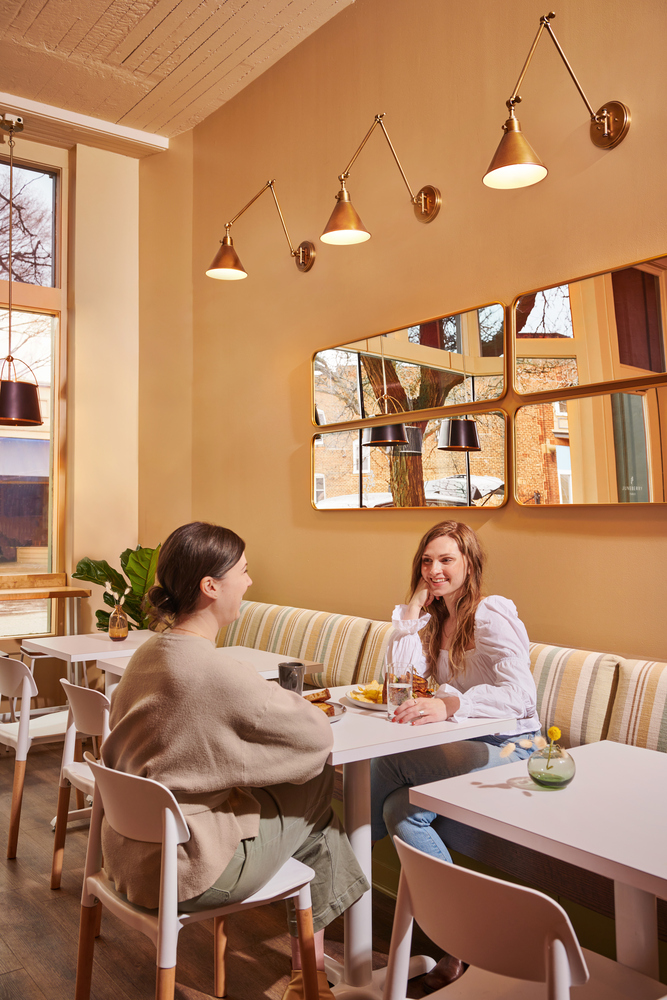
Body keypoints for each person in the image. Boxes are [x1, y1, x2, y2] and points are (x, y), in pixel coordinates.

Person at [101, 522, 368, 1000]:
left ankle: (310, 979)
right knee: (316, 795)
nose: (249, 581)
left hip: (128, 859)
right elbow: (315, 737)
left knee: (301, 807)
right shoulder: (217, 671)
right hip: (188, 870)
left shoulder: (146, 654)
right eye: (243, 571)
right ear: (210, 586)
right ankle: (310, 981)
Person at [370, 520, 540, 991]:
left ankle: (345, 856)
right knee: (398, 810)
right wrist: (411, 612)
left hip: (516, 747)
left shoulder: (489, 614)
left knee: (389, 764)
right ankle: (464, 943)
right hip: (470, 745)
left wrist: (449, 704)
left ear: (470, 563)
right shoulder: (435, 619)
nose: (434, 570)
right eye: (427, 561)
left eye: (446, 560)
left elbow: (522, 696)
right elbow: (400, 680)